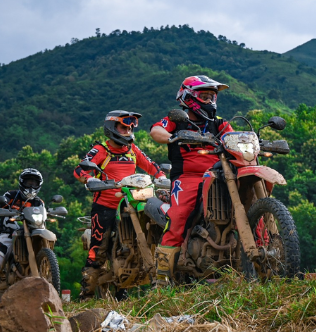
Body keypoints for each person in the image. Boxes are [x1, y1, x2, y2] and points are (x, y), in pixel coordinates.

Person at [73, 110, 167, 299]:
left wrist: (162, 177)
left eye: (130, 127)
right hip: (106, 204)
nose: (128, 130)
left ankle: (128, 282)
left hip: (132, 201)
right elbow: (81, 168)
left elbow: (150, 165)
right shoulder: (101, 150)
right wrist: (89, 179)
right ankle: (87, 293)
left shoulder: (133, 150)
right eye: (123, 127)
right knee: (98, 248)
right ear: (111, 127)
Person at [149, 75, 233, 280]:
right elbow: (156, 130)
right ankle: (162, 278)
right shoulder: (177, 121)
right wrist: (171, 137)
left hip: (219, 175)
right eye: (204, 97)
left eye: (212, 98)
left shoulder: (220, 124)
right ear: (188, 97)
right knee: (179, 215)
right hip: (188, 177)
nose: (210, 102)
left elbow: (232, 137)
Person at [0, 168, 45, 301]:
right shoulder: (11, 195)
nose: (31, 186)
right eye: (28, 182)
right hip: (9, 232)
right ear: (22, 183)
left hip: (31, 233)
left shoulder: (39, 202)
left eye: (34, 183)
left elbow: (43, 213)